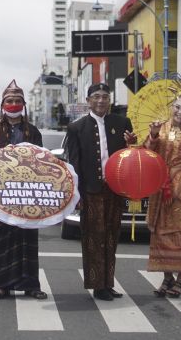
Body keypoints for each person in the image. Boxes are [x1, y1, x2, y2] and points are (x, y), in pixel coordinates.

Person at [0, 79, 47, 301]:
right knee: (3, 239)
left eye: (17, 101)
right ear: (3, 104)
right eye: (9, 100)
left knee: (28, 238)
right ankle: (2, 286)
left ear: (23, 104)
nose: (13, 104)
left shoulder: (32, 131)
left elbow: (41, 161)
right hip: (2, 194)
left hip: (27, 193)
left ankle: (31, 285)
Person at [66, 83, 137, 301]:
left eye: (105, 97)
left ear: (110, 100)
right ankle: (97, 284)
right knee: (93, 238)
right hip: (91, 191)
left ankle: (108, 282)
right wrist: (76, 195)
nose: (100, 101)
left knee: (111, 236)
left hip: (114, 188)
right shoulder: (77, 127)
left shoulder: (121, 122)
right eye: (96, 97)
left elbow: (129, 156)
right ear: (88, 100)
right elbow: (74, 163)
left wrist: (132, 145)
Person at [144, 82, 181, 298]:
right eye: (177, 107)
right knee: (161, 236)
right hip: (160, 190)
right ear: (172, 106)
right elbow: (147, 155)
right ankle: (167, 278)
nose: (180, 112)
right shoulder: (159, 128)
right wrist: (152, 135)